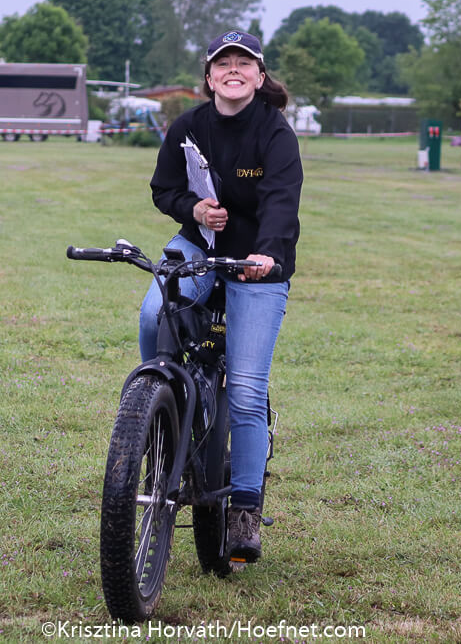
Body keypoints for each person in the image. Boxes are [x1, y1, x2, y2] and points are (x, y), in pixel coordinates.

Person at [139, 30, 303, 563]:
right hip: (199, 245)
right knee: (154, 312)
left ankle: (245, 510)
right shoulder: (187, 126)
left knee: (248, 391)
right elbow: (164, 189)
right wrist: (194, 209)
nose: (234, 70)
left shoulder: (275, 134)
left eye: (244, 62)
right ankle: (157, 410)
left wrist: (266, 254)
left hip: (257, 259)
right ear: (209, 78)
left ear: (259, 75)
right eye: (223, 63)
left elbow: (281, 202)